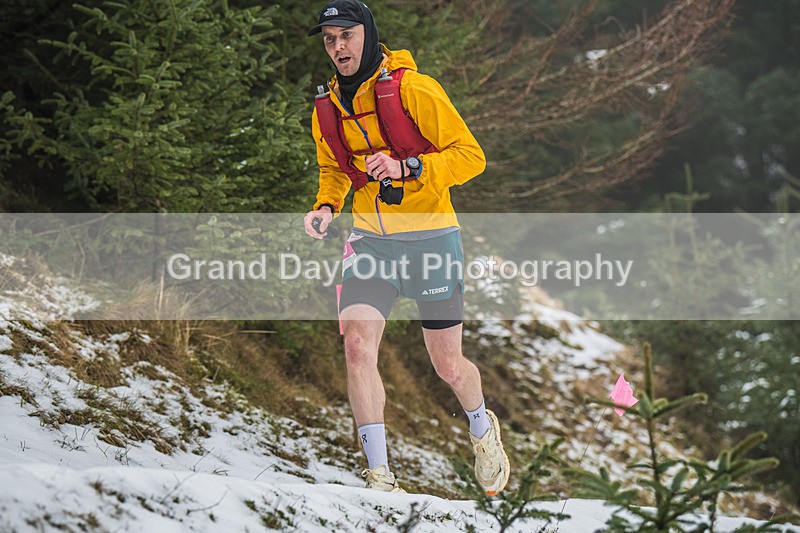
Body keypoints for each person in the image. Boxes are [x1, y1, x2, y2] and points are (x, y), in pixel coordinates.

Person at [303, 0, 509, 495]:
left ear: (367, 35)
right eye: (329, 40)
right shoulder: (328, 107)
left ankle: (482, 429)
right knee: (356, 347)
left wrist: (409, 168)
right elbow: (333, 169)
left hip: (431, 239)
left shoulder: (414, 88)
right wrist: (326, 207)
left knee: (448, 366)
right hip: (369, 242)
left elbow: (471, 156)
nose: (338, 48)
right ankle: (378, 475)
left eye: (346, 36)